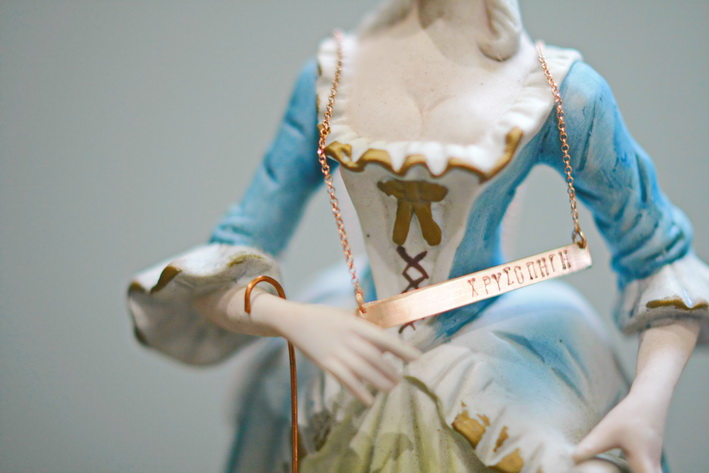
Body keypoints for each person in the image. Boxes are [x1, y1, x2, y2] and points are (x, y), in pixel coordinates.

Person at [127, 1, 708, 471]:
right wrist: (296, 320)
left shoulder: (562, 90)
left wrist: (646, 406)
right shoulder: (331, 78)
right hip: (349, 339)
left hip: (505, 354)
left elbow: (661, 258)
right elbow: (224, 265)